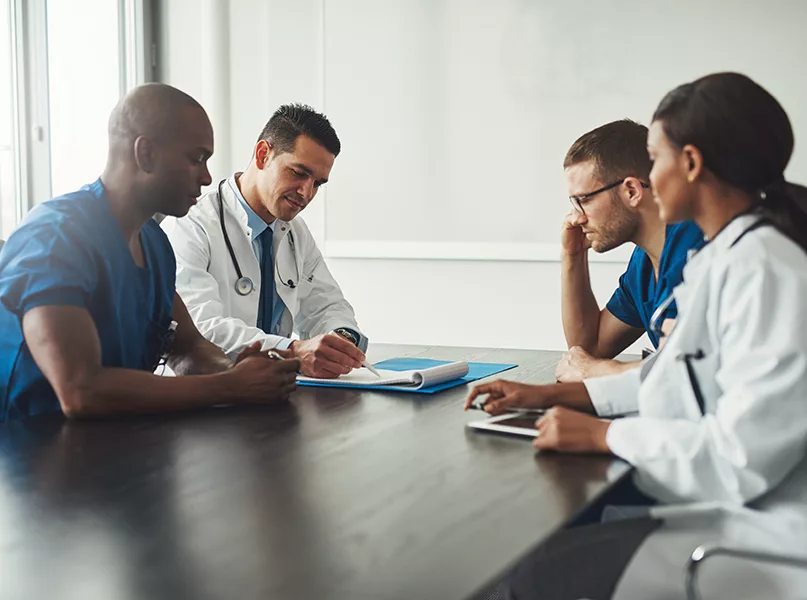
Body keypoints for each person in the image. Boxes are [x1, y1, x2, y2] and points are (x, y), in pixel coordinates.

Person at [466, 73, 807, 599]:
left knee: (524, 575)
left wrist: (605, 435)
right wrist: (545, 394)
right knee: (543, 546)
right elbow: (671, 379)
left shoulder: (765, 269)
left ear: (690, 165)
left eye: (656, 158)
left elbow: (740, 460)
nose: (647, 179)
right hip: (719, 505)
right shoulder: (729, 256)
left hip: (761, 533)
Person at [0, 83, 300, 421]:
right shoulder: (54, 236)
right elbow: (81, 390)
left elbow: (188, 348)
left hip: (115, 452)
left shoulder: (154, 243)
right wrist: (229, 386)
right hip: (28, 457)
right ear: (145, 154)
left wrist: (235, 368)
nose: (206, 177)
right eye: (196, 159)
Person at [162, 104, 368, 379]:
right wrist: (292, 351)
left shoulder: (295, 232)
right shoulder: (190, 224)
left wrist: (340, 339)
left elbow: (328, 304)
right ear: (263, 155)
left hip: (269, 392)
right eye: (298, 172)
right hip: (203, 397)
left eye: (318, 183)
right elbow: (201, 330)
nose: (306, 192)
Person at [556, 119, 703, 382]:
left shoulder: (699, 250)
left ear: (632, 191)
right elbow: (588, 348)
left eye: (585, 200)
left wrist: (597, 371)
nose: (576, 218)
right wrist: (573, 256)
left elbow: (696, 371)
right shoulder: (644, 263)